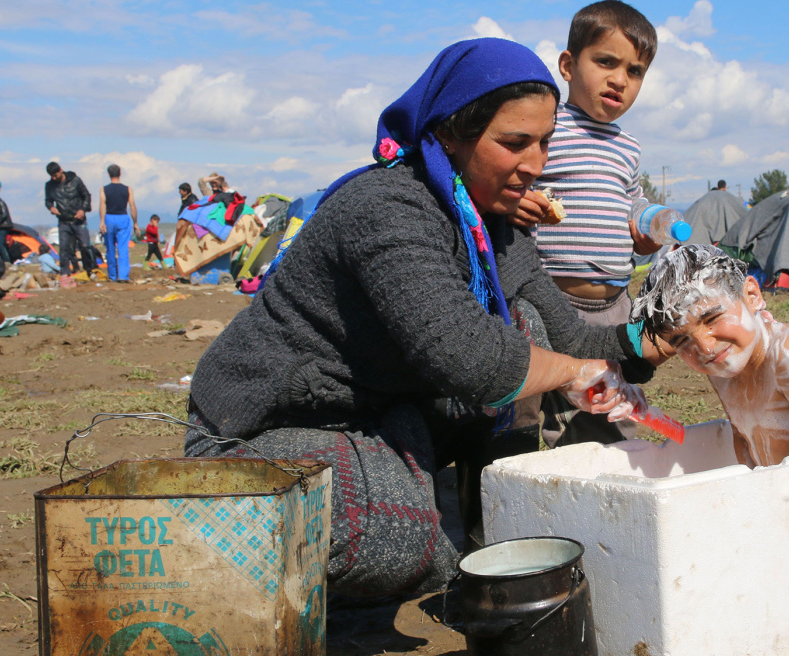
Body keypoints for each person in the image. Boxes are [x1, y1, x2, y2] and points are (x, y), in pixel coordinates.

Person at [184, 38, 661, 598]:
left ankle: (477, 525)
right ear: (451, 134)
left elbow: (574, 332)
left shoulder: (496, 228)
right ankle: (415, 540)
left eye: (545, 142)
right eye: (514, 143)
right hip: (263, 432)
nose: (535, 165)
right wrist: (576, 374)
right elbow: (469, 356)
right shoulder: (388, 208)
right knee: (398, 537)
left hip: (377, 417)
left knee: (525, 319)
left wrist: (666, 336)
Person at [515, 0, 662, 445]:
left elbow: (630, 201)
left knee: (607, 405)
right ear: (568, 65)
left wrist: (645, 231)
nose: (619, 79)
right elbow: (515, 178)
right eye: (605, 62)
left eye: (634, 71)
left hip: (614, 303)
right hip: (550, 301)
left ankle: (609, 482)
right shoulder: (550, 126)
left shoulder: (627, 146)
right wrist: (522, 200)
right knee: (529, 405)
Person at [632, 244, 789, 467]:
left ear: (752, 295)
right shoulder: (723, 366)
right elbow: (744, 443)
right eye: (683, 340)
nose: (705, 347)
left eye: (712, 318)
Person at [45, 161, 96, 286]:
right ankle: (65, 272)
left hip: (79, 220)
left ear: (60, 170)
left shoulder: (75, 180)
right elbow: (48, 201)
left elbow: (87, 196)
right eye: (51, 176)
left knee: (85, 245)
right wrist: (51, 208)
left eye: (55, 175)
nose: (54, 178)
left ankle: (89, 269)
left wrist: (83, 209)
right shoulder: (49, 185)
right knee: (64, 248)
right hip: (63, 221)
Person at [99, 164, 139, 283]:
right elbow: (132, 206)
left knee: (110, 248)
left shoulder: (103, 189)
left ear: (108, 174)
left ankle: (112, 276)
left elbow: (102, 205)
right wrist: (135, 222)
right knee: (123, 248)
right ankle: (123, 276)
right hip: (123, 217)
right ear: (120, 173)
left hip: (109, 218)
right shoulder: (128, 189)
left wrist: (102, 221)